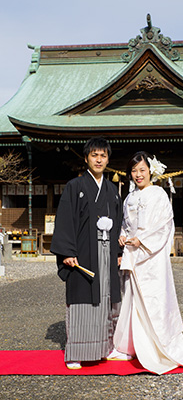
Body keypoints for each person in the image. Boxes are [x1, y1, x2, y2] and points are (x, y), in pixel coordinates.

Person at [109, 151, 183, 375]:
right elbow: (125, 223)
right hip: (133, 254)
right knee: (132, 299)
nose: (138, 175)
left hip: (150, 258)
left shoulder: (159, 194)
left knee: (154, 300)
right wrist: (122, 235)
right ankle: (129, 346)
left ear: (150, 171)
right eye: (134, 171)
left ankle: (157, 346)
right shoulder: (129, 198)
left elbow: (164, 226)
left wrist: (142, 240)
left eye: (142, 170)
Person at [50, 137, 124, 369]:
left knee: (108, 300)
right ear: (86, 158)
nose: (99, 159)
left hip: (108, 252)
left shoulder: (112, 190)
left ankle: (107, 347)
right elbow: (65, 221)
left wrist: (120, 250)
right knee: (82, 301)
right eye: (94, 155)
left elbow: (120, 222)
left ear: (108, 159)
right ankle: (76, 352)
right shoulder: (75, 186)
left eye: (103, 155)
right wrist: (67, 252)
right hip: (83, 253)